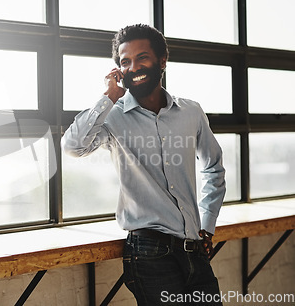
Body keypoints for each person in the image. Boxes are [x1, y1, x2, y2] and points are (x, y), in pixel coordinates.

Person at [61, 24, 226, 306]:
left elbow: (213, 168)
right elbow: (73, 146)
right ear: (118, 70)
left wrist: (207, 224)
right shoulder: (113, 117)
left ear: (162, 61)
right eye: (125, 61)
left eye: (142, 57)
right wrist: (109, 97)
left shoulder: (191, 112)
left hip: (195, 249)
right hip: (149, 253)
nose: (134, 66)